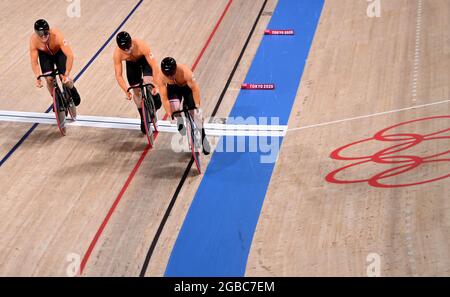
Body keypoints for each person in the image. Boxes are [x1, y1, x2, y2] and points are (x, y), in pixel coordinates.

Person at [158, 57, 210, 155]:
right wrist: (170, 114)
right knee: (175, 108)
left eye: (171, 74)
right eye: (167, 75)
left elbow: (195, 89)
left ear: (175, 69)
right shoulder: (160, 77)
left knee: (196, 115)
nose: (169, 77)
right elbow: (164, 99)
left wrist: (197, 106)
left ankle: (204, 138)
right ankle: (180, 121)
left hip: (186, 88)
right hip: (173, 90)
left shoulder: (186, 72)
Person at [113, 31, 162, 134]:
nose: (127, 50)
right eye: (124, 49)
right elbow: (118, 75)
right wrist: (126, 90)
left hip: (144, 61)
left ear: (131, 42)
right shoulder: (117, 54)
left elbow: (154, 66)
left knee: (148, 82)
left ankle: (155, 97)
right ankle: (143, 116)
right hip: (131, 65)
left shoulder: (141, 45)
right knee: (136, 91)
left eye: (129, 46)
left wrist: (156, 85)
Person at [30, 19, 81, 107]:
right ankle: (56, 100)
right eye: (40, 34)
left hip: (59, 53)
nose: (43, 36)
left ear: (49, 30)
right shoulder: (33, 40)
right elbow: (34, 61)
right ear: (36, 34)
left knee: (64, 79)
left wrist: (67, 73)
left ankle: (72, 88)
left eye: (45, 32)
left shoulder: (57, 35)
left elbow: (70, 55)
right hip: (45, 55)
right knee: (49, 79)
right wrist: (38, 77)